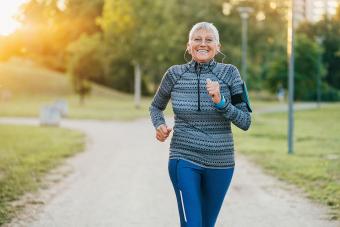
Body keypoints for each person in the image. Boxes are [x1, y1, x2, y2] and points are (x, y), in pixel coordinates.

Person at [149, 22, 252, 227]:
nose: (202, 43)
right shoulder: (174, 74)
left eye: (209, 39)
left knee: (206, 224)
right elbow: (155, 107)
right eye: (197, 39)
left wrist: (221, 102)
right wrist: (159, 125)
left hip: (221, 163)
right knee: (192, 224)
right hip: (183, 157)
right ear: (188, 46)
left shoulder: (230, 74)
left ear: (218, 46)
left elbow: (245, 121)